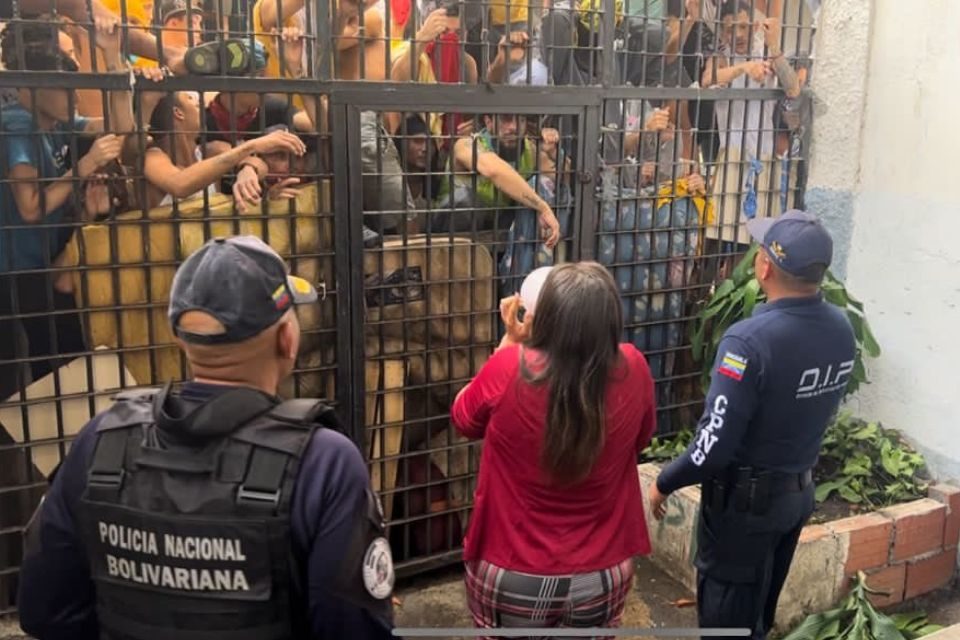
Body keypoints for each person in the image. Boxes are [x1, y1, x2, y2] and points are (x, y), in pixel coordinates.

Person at [16, 235, 395, 639]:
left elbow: (44, 611)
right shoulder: (324, 464)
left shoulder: (101, 442)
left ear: (181, 338)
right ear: (287, 338)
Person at [647, 210, 857, 640]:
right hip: (795, 495)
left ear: (765, 266)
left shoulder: (748, 341)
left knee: (728, 624)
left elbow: (714, 444)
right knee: (757, 616)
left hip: (745, 511)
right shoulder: (841, 328)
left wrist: (664, 482)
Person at [451, 262, 658, 635]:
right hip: (602, 571)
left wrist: (510, 341)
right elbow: (640, 440)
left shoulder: (510, 367)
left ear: (544, 316)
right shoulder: (634, 367)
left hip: (514, 567)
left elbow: (464, 418)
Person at [0, 20, 138, 399]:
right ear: (36, 84)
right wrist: (85, 165)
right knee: (37, 377)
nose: (74, 92)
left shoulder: (57, 122)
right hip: (15, 273)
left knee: (61, 363)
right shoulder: (16, 127)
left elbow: (120, 127)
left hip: (45, 262)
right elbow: (30, 207)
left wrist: (113, 56)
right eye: (64, 84)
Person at [142, 91, 307, 211]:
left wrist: (248, 169)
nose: (202, 103)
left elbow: (259, 164)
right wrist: (251, 146)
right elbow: (179, 185)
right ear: (178, 113)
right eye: (191, 98)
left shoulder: (212, 150)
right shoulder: (153, 156)